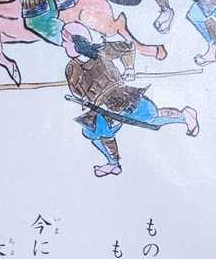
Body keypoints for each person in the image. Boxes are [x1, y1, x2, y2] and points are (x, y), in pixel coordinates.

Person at [62, 22, 198, 178]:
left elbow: (128, 47)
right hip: (100, 108)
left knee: (151, 117)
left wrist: (129, 69)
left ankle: (184, 116)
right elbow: (77, 92)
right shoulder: (71, 68)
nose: (63, 45)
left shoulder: (101, 51)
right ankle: (113, 164)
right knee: (95, 132)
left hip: (121, 97)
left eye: (65, 41)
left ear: (78, 41)